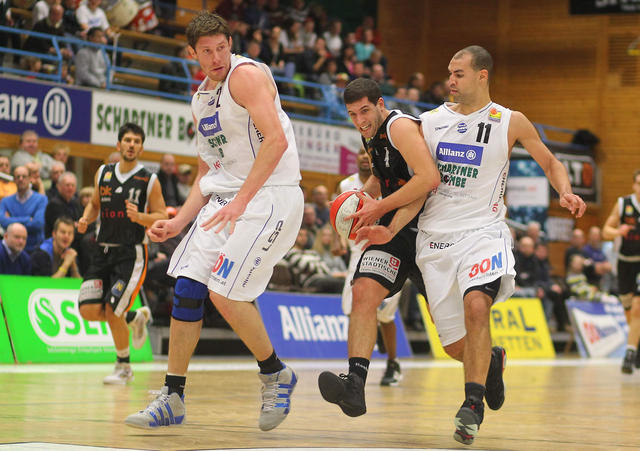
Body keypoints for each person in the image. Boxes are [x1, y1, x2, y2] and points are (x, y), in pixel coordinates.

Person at [356, 46, 586, 445]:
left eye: (458, 74)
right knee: (455, 346)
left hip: (483, 232)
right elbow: (404, 175)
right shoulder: (429, 122)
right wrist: (374, 205)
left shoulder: (510, 121)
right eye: (449, 73)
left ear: (482, 75)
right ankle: (491, 361)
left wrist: (564, 191)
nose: (450, 80)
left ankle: (472, 406)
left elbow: (550, 162)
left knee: (478, 305)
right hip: (434, 239)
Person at [124, 11, 304, 431]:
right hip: (227, 200)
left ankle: (275, 372)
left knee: (223, 293)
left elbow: (276, 141)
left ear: (230, 45)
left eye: (222, 47)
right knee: (187, 288)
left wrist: (241, 201)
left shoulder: (246, 77)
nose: (217, 57)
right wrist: (179, 222)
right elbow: (208, 172)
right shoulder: (200, 100)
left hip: (270, 196)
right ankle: (172, 396)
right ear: (192, 54)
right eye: (207, 51)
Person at [317, 78, 440, 415]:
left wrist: (379, 207)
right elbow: (381, 176)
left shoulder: (399, 127)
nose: (359, 120)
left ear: (380, 104)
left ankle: (488, 360)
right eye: (352, 114)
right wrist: (362, 200)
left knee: (449, 335)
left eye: (365, 111)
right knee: (362, 292)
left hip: (430, 231)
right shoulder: (368, 133)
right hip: (392, 231)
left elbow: (428, 178)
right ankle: (355, 386)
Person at [76, 122, 165, 385]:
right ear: (119, 144)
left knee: (112, 310)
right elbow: (94, 204)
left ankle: (124, 367)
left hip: (131, 254)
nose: (131, 145)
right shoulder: (103, 173)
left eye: (136, 141)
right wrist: (86, 218)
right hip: (102, 250)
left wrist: (140, 217)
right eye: (127, 140)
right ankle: (135, 317)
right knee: (88, 309)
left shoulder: (149, 180)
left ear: (141, 148)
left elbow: (161, 215)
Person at [337, 146, 406, 386]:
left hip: (387, 248)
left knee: (385, 315)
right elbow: (342, 220)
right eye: (360, 153)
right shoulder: (346, 185)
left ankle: (393, 362)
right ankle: (355, 371)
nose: (364, 157)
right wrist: (338, 240)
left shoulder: (391, 181)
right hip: (358, 250)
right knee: (353, 308)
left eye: (368, 153)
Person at [603, 169, 640, 374]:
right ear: (634, 185)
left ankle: (629, 353)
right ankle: (637, 344)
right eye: (639, 183)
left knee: (637, 307)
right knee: (628, 310)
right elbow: (605, 231)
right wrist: (618, 231)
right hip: (625, 263)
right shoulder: (623, 204)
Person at [0, 166, 48, 253]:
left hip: (35, 249)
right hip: (11, 250)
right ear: (14, 180)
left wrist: (11, 220)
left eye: (24, 176)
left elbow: (38, 224)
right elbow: (3, 222)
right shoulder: (5, 201)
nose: (21, 179)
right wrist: (28, 219)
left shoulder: (41, 199)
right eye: (18, 177)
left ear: (30, 179)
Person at [44, 171, 82, 238]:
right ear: (59, 187)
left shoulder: (76, 203)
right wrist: (75, 225)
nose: (70, 188)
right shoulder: (53, 204)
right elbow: (64, 226)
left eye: (73, 185)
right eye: (67, 185)